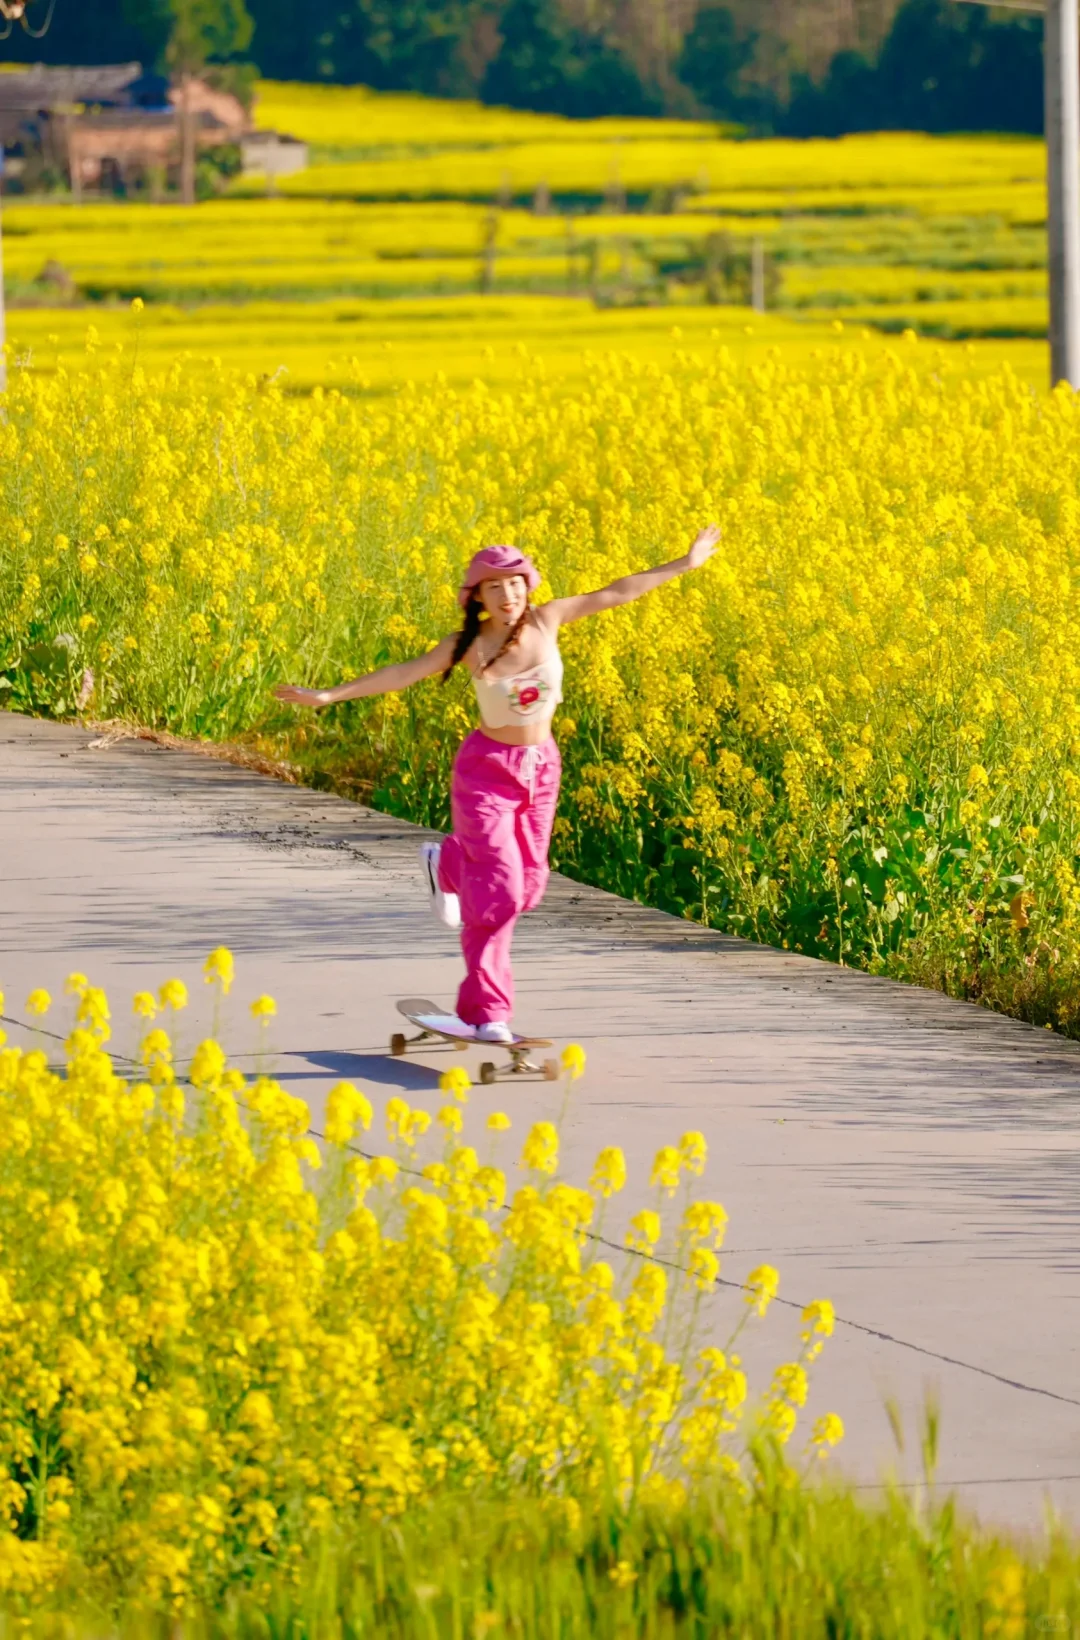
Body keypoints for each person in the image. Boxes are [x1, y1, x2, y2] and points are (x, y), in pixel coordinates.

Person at [273, 526, 721, 1044]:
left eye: (514, 585)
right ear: (477, 597)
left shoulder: (548, 619)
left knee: (527, 888)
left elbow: (617, 591)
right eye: (494, 587)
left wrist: (684, 563)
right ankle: (487, 1012)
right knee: (500, 891)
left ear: (528, 586)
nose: (507, 596)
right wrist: (329, 696)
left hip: (542, 769)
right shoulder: (469, 645)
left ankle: (449, 863)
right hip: (486, 772)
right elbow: (403, 673)